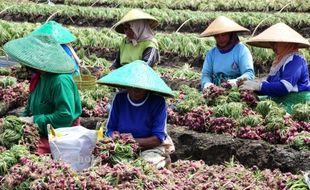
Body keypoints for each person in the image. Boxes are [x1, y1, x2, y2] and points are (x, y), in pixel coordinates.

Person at [4, 34, 82, 154]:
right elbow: (30, 106)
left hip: (61, 136)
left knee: (21, 152)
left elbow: (65, 116)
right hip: (41, 131)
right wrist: (20, 122)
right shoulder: (40, 76)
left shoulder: (61, 81)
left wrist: (35, 120)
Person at [97, 60, 175, 168]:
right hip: (121, 146)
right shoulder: (120, 99)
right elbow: (110, 129)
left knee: (144, 167)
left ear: (147, 87)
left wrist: (131, 141)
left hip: (150, 147)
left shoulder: (157, 102)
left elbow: (158, 138)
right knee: (105, 162)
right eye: (131, 88)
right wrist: (113, 136)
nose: (134, 92)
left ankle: (164, 160)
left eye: (139, 89)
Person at [240, 23, 310, 113]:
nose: (273, 47)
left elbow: (284, 87)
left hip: (297, 102)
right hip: (282, 98)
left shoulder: (296, 60)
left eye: (276, 43)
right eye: (272, 43)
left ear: (287, 43)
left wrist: (259, 86)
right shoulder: (280, 60)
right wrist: (252, 86)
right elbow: (270, 85)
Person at [200, 16, 255, 90]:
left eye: (224, 35)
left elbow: (249, 74)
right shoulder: (212, 53)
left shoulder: (241, 50)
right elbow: (206, 74)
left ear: (231, 34)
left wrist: (237, 81)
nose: (220, 39)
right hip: (216, 91)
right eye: (217, 36)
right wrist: (207, 84)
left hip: (237, 91)